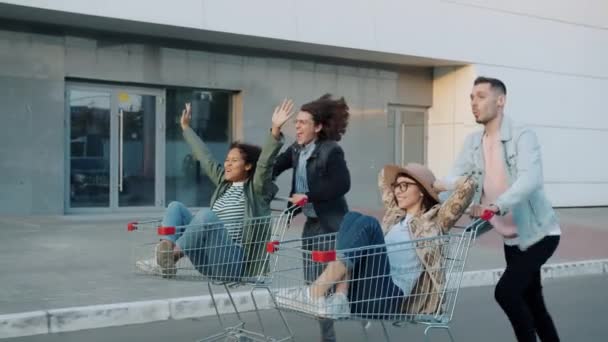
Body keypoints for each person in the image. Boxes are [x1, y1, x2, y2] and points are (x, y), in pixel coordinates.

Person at [433, 76, 562, 342]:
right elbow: (454, 181)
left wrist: (495, 206)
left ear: (500, 100)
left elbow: (530, 178)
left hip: (539, 233)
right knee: (534, 305)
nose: (473, 103)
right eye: (471, 97)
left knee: (506, 292)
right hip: (511, 239)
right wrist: (431, 193)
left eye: (480, 96)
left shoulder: (522, 136)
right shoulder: (472, 143)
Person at [279, 163, 475, 319]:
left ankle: (313, 293)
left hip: (387, 297)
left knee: (369, 225)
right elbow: (383, 175)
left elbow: (468, 186)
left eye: (404, 185)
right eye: (396, 186)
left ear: (422, 191)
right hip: (363, 290)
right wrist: (403, 175)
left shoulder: (436, 220)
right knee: (352, 217)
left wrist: (439, 185)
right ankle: (339, 298)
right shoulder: (394, 215)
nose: (398, 191)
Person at [136, 100, 295, 280]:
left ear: (249, 166)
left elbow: (265, 164)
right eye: (227, 160)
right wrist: (186, 128)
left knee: (206, 216)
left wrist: (275, 129)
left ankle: (169, 257)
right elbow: (205, 157)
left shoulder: (256, 188)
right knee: (175, 207)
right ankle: (166, 253)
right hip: (209, 260)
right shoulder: (223, 183)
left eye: (234, 161)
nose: (227, 164)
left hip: (233, 263)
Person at [272, 94, 351, 342]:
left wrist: (307, 197)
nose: (297, 126)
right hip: (312, 226)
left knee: (326, 283)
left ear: (317, 127)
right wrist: (275, 130)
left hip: (332, 225)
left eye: (303, 122)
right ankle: (328, 335)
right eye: (296, 122)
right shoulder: (296, 150)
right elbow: (272, 167)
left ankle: (340, 316)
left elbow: (342, 185)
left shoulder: (331, 151)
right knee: (314, 286)